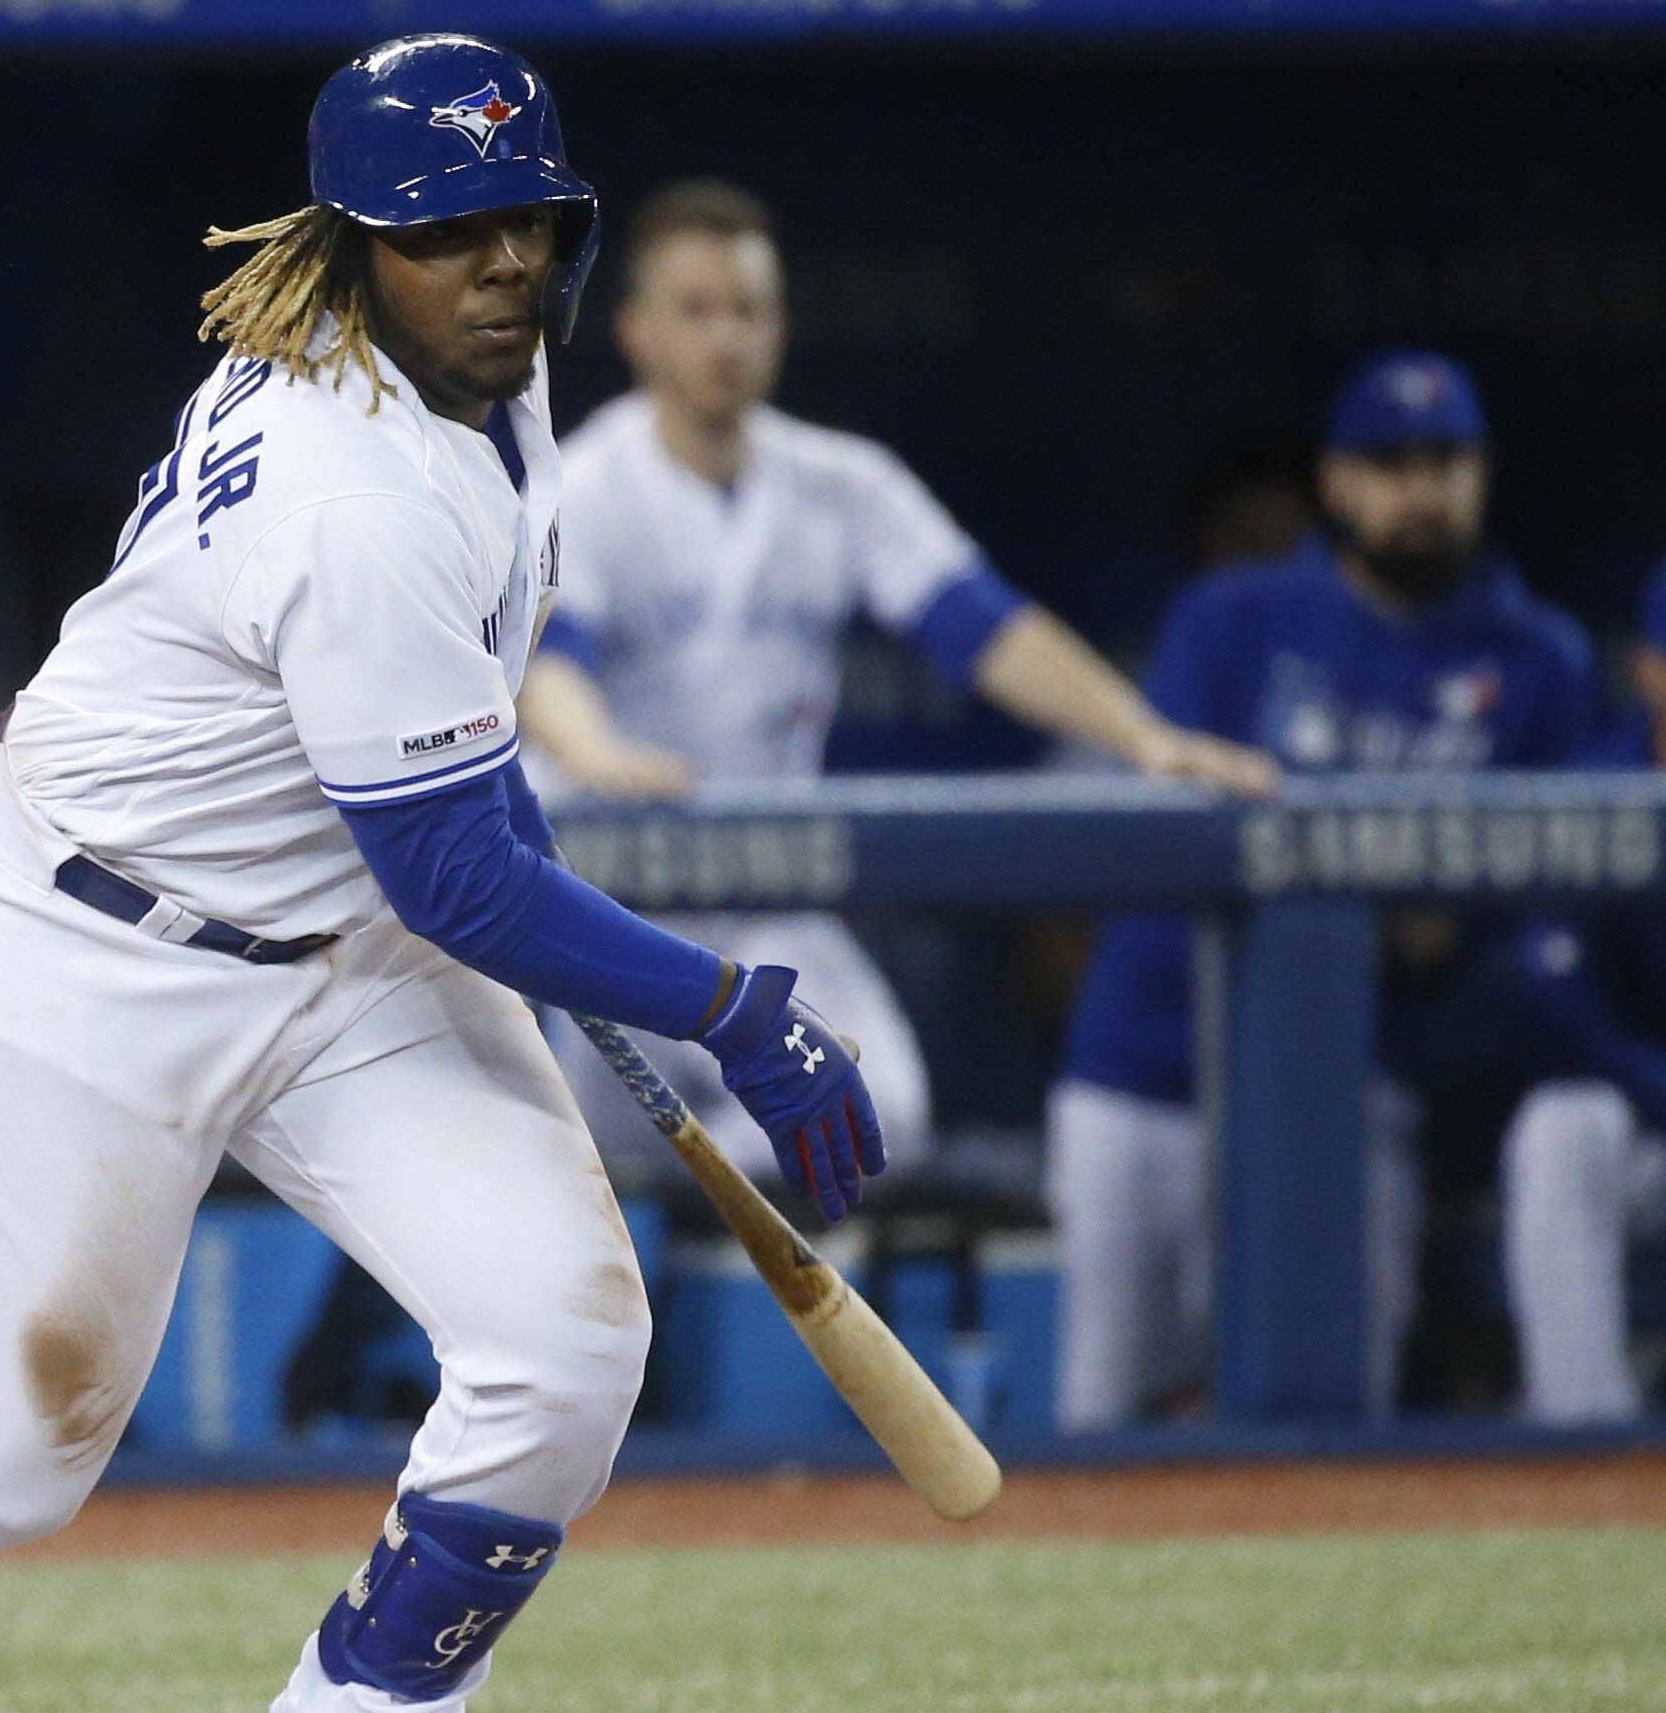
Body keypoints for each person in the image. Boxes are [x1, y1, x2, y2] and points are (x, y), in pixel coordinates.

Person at [0, 34, 885, 1713]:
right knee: (6, 1455)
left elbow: (466, 798)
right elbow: (458, 880)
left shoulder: (491, 368)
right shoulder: (346, 489)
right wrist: (732, 1007)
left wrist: (606, 936)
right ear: (346, 248)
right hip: (66, 936)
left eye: (526, 221)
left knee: (565, 1335)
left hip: (337, 938)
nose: (500, 264)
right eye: (444, 233)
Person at [519, 178, 1273, 1185]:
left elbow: (981, 626)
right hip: (612, 885)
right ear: (637, 330)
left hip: (760, 882)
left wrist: (1144, 739)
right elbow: (545, 659)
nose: (725, 338)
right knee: (580, 1169)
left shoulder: (841, 483)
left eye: (747, 310)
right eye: (695, 311)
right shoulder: (584, 480)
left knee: (876, 1115)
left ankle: (709, 1261)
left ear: (779, 325)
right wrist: (594, 751)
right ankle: (662, 1288)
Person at [1051, 353, 1597, 1429]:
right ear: (1336, 484)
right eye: (1388, 463)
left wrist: (1453, 920)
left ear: (1480, 474)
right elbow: (1162, 830)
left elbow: (1562, 892)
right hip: (1144, 1061)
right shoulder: (1233, 616)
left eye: (1443, 461)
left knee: (1340, 1410)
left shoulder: (1541, 657)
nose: (1418, 489)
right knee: (1100, 1406)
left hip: (1349, 1081)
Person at [1502, 549, 1666, 1424]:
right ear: (1650, 669)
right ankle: (1584, 1435)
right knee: (1560, 1131)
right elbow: (1565, 1011)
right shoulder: (1595, 788)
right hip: (1660, 1121)